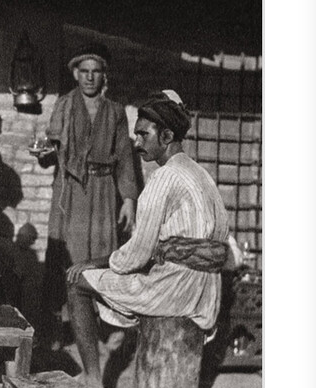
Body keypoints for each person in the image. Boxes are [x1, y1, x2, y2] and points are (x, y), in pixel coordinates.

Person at [66, 90, 230, 348]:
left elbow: (138, 254)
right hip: (207, 292)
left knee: (76, 281)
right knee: (111, 279)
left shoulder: (165, 178)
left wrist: (93, 263)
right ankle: (115, 332)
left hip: (174, 290)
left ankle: (94, 383)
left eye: (144, 134)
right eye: (136, 135)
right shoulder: (201, 174)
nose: (137, 142)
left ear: (166, 136)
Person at [32, 43, 138, 388]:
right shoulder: (64, 105)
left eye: (96, 71)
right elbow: (50, 152)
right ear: (75, 74)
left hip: (105, 190)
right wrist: (44, 153)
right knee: (72, 263)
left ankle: (107, 330)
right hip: (72, 194)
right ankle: (81, 351)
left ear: (103, 75)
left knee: (102, 260)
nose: (90, 77)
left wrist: (129, 200)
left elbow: (125, 157)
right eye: (84, 71)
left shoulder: (116, 111)